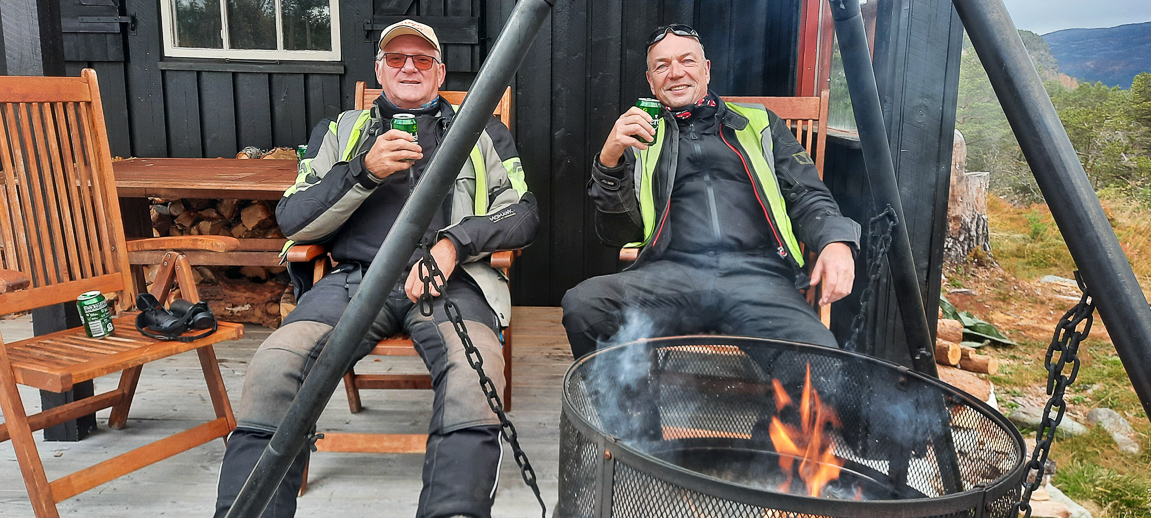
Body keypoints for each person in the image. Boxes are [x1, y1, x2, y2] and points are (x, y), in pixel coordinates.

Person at [214, 19, 539, 518]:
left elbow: (522, 212)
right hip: (354, 282)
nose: (409, 67)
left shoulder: (482, 130)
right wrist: (363, 171)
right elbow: (294, 218)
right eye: (396, 58)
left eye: (422, 59)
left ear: (439, 72)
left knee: (475, 375)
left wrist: (454, 244)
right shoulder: (341, 131)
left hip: (447, 284)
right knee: (274, 365)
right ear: (380, 70)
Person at [561, 23, 860, 359]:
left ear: (706, 69)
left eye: (687, 61)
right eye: (662, 66)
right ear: (650, 80)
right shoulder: (640, 136)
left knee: (819, 363)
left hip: (758, 278)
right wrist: (608, 161)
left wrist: (836, 241)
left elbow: (807, 195)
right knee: (585, 305)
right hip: (670, 277)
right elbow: (618, 233)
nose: (675, 73)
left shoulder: (760, 123)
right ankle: (631, 396)